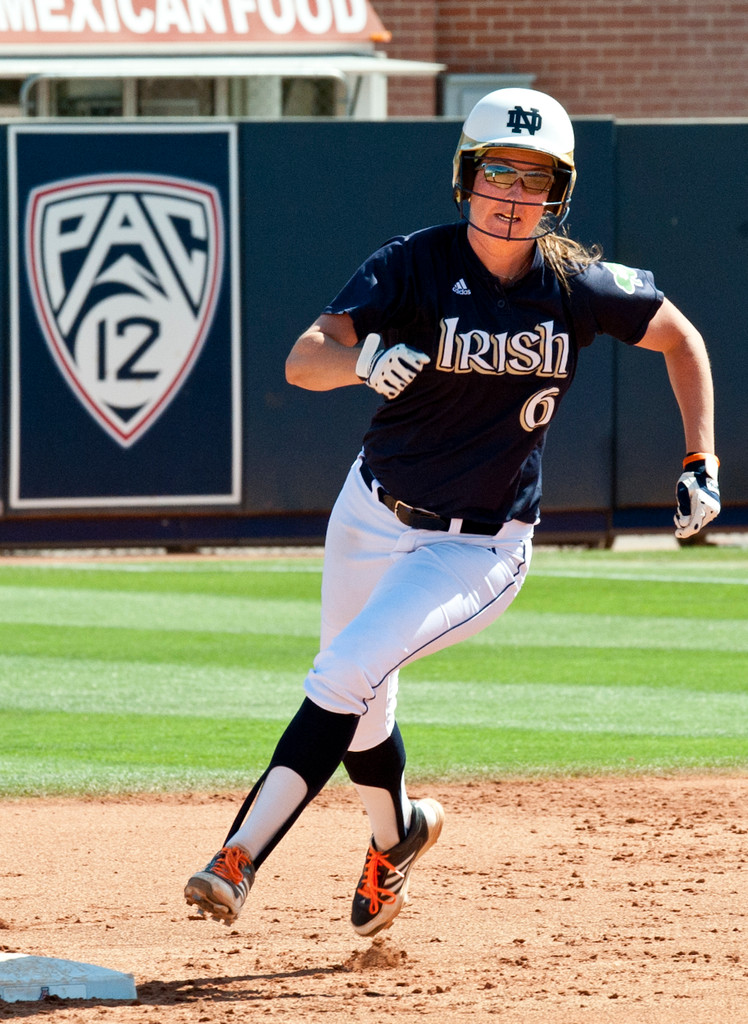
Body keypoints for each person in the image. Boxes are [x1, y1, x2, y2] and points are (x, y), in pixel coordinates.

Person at [184, 87, 721, 938]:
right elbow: (302, 359)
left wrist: (701, 458)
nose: (512, 195)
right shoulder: (413, 264)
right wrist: (362, 359)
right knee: (363, 706)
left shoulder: (576, 285)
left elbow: (681, 339)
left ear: (558, 196)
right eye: (497, 173)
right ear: (466, 178)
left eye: (534, 179)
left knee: (342, 672)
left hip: (477, 547)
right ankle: (398, 841)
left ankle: (238, 857)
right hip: (369, 511)